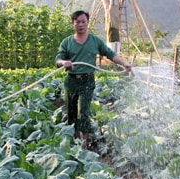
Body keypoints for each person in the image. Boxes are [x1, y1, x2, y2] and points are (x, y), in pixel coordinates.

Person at [55, 10, 132, 149]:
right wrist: (63, 62)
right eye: (77, 21)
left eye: (83, 21)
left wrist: (124, 63)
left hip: (87, 81)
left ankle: (84, 145)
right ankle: (76, 142)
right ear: (73, 23)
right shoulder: (67, 42)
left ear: (87, 23)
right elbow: (58, 59)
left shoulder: (95, 41)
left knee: (83, 111)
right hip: (71, 81)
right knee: (71, 113)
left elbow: (111, 54)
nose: (80, 24)